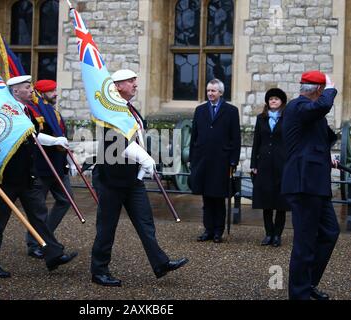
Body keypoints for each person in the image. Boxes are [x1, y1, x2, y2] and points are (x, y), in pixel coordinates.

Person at [90, 69, 188, 287]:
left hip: (132, 178)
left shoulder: (130, 109)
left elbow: (137, 138)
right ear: (117, 86)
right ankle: (99, 271)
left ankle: (160, 263)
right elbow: (115, 142)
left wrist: (144, 161)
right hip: (111, 178)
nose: (135, 83)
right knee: (107, 228)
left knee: (145, 223)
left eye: (135, 79)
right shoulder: (109, 112)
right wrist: (144, 158)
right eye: (130, 81)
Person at [0, 75, 77, 278]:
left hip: (28, 175)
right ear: (16, 91)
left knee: (40, 216)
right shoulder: (6, 111)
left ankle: (52, 255)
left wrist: (54, 140)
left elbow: (34, 134)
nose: (31, 90)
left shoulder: (25, 111)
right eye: (27, 87)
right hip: (7, 177)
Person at [281, 70, 340, 300]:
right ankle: (299, 295)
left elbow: (312, 141)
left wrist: (327, 156)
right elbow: (321, 107)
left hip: (316, 183)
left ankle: (307, 285)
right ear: (318, 90)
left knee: (329, 232)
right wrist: (332, 89)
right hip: (303, 183)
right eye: (324, 91)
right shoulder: (298, 106)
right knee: (305, 243)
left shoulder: (310, 113)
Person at [24, 79, 77, 259]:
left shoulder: (52, 111)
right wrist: (55, 141)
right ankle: (34, 243)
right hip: (41, 167)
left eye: (55, 90)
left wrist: (69, 157)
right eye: (51, 91)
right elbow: (35, 135)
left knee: (65, 199)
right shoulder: (33, 111)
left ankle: (46, 237)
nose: (55, 94)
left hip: (58, 165)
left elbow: (61, 135)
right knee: (38, 209)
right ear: (41, 93)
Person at [189, 78, 241, 243]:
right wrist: (192, 158)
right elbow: (194, 136)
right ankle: (208, 229)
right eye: (208, 90)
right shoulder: (200, 110)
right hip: (203, 159)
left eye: (213, 91)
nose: (210, 93)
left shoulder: (231, 111)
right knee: (206, 198)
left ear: (221, 92)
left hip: (222, 160)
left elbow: (236, 138)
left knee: (218, 197)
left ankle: (218, 231)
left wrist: (234, 160)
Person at [250, 88, 290, 247]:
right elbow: (256, 142)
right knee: (266, 200)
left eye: (276, 99)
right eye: (271, 99)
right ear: (267, 102)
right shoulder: (261, 118)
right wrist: (253, 164)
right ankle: (268, 233)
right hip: (264, 164)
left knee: (280, 202)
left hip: (282, 164)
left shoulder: (287, 118)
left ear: (282, 102)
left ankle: (277, 235)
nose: (273, 101)